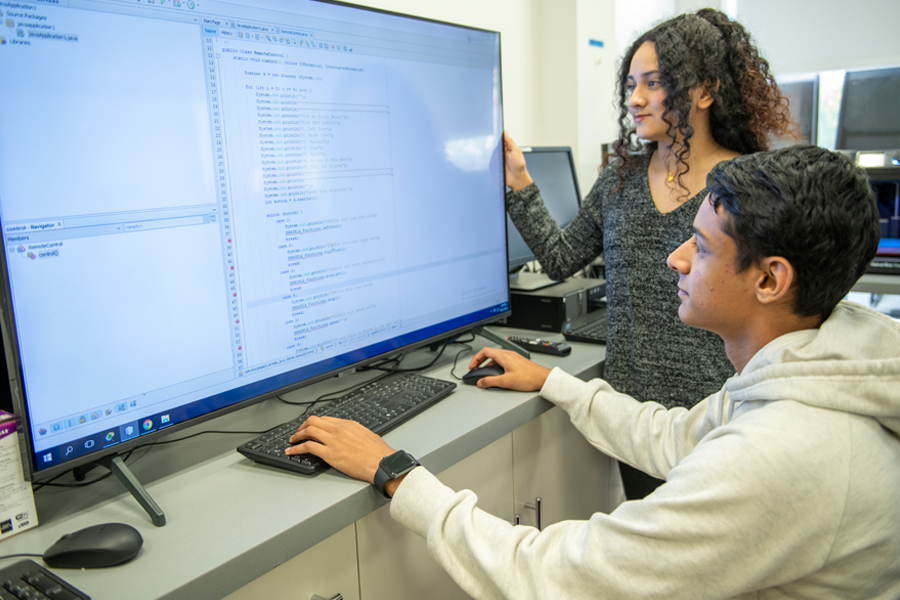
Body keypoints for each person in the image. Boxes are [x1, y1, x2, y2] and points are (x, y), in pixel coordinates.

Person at [287, 146, 900, 599]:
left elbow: (556, 575)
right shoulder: (822, 363)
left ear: (771, 279)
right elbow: (677, 438)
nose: (675, 258)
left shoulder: (785, 452)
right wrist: (556, 381)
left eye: (703, 248)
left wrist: (395, 473)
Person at [504, 8, 795, 497]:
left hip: (724, 420)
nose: (635, 99)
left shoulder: (753, 184)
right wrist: (520, 183)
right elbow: (560, 258)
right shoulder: (621, 178)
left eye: (655, 83)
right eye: (632, 84)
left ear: (705, 91)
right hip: (632, 420)